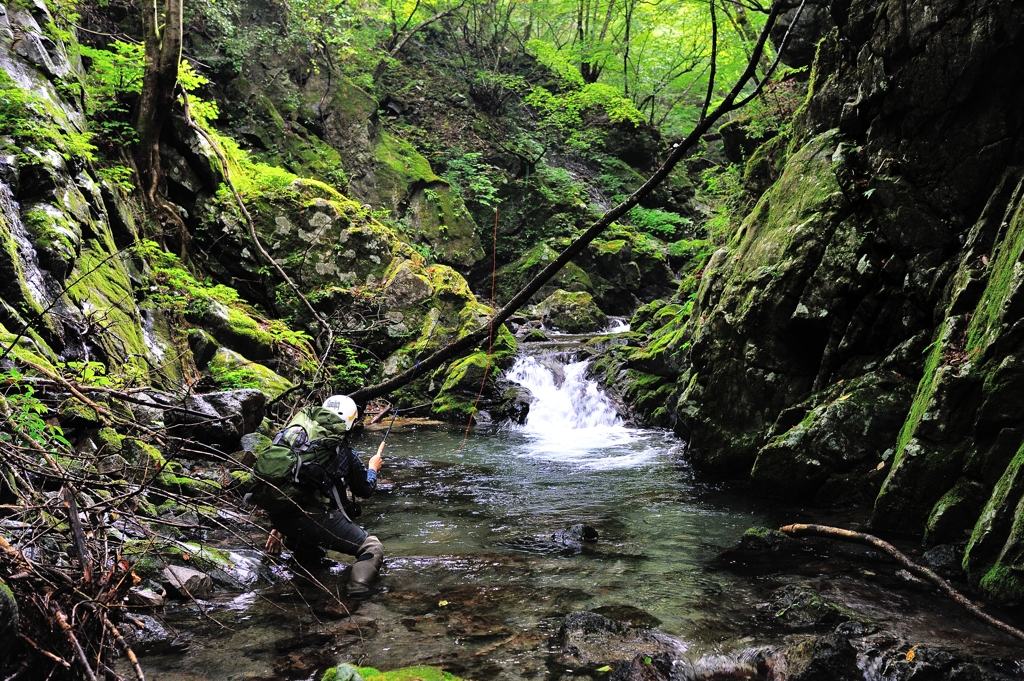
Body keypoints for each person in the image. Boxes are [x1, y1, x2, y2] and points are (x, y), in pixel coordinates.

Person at [262, 394, 385, 597]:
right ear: (351, 424)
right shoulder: (343, 451)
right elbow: (365, 489)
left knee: (311, 554)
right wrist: (373, 468)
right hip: (310, 521)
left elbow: (284, 480)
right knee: (372, 548)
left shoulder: (294, 437)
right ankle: (358, 596)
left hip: (279, 515)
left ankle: (306, 585)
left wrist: (278, 524)